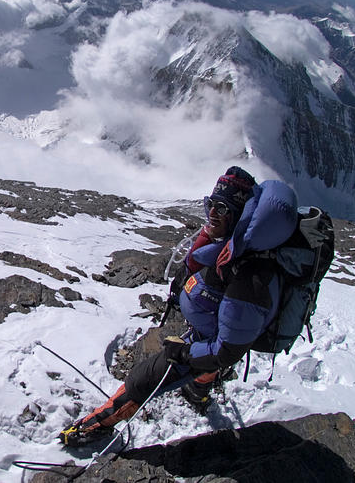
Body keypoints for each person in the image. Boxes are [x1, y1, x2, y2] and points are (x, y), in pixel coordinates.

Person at [59, 166, 299, 447]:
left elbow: (225, 350)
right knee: (199, 366)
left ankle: (92, 427)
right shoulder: (232, 247)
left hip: (205, 343)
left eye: (222, 208)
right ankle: (198, 390)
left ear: (238, 215)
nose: (212, 214)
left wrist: (184, 353)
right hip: (208, 327)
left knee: (141, 381)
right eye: (211, 204)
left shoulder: (250, 280)